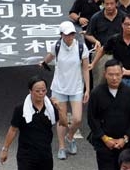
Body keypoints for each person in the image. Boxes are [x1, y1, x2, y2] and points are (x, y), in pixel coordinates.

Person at [39, 21, 89, 161]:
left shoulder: (81, 47)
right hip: (59, 88)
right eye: (67, 34)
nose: (70, 36)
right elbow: (49, 57)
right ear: (61, 34)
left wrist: (87, 89)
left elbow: (85, 68)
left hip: (76, 87)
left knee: (77, 119)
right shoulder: (56, 46)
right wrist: (43, 63)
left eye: (72, 33)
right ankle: (61, 147)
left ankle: (70, 137)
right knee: (62, 120)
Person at [87, 60, 130, 170]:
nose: (114, 78)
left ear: (122, 74)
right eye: (111, 74)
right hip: (104, 145)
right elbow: (92, 119)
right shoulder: (96, 93)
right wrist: (105, 139)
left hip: (125, 145)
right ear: (105, 74)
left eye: (117, 74)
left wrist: (125, 139)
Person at [0, 75, 57, 170]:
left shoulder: (51, 108)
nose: (41, 93)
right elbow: (13, 130)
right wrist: (5, 149)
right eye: (37, 91)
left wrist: (60, 109)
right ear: (30, 91)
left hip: (45, 155)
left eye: (43, 90)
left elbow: (63, 123)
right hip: (26, 156)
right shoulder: (20, 109)